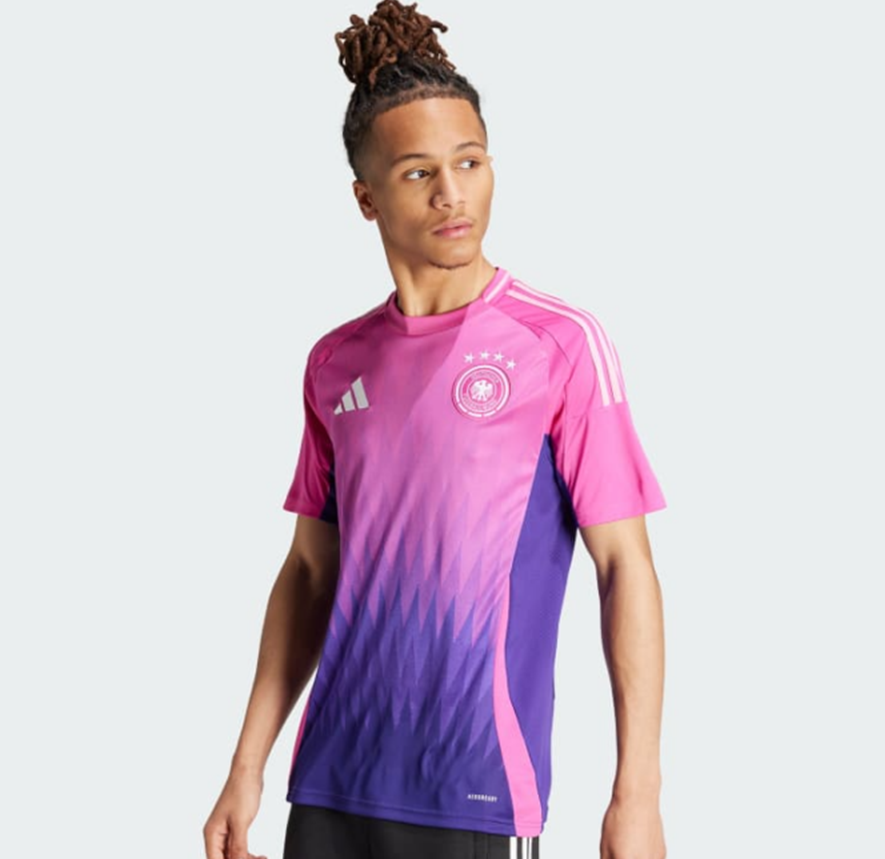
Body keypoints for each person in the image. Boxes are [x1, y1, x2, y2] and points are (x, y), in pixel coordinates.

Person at [203, 2, 668, 857]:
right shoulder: (336, 361)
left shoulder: (559, 344)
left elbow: (625, 567)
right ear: (366, 197)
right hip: (332, 783)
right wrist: (246, 765)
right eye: (419, 172)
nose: (453, 193)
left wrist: (635, 794)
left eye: (470, 161)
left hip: (475, 790)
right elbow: (309, 572)